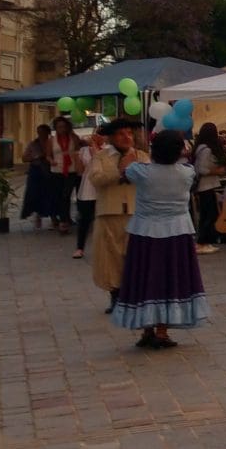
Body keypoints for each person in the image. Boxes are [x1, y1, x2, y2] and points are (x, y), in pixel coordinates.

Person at [113, 129, 210, 350]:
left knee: (146, 277)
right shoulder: (187, 173)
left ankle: (147, 329)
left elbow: (122, 170)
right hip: (177, 232)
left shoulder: (141, 171)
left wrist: (130, 148)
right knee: (171, 278)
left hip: (145, 232)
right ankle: (162, 331)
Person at [85, 119, 141, 309]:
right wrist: (119, 170)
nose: (126, 138)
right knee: (111, 257)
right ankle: (115, 294)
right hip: (109, 213)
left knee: (134, 256)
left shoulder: (141, 156)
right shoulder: (102, 156)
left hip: (135, 213)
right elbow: (96, 179)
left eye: (129, 133)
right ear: (112, 137)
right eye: (121, 134)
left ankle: (133, 294)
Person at [192, 121, 226, 252]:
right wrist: (217, 171)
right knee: (210, 214)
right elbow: (201, 169)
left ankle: (205, 240)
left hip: (207, 185)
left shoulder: (201, 148)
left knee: (207, 214)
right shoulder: (206, 150)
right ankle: (202, 241)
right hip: (205, 186)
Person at [20, 123, 60, 230]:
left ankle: (53, 217)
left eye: (42, 132)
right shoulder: (33, 144)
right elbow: (24, 158)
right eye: (39, 132)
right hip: (37, 171)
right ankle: (38, 215)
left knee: (51, 194)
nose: (40, 134)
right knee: (36, 194)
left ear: (48, 132)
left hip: (50, 171)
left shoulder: (53, 142)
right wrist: (36, 157)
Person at [49, 116, 81, 232]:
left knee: (66, 195)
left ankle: (64, 220)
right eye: (59, 127)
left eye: (63, 126)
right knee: (59, 195)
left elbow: (78, 151)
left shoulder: (73, 138)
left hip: (71, 170)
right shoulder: (52, 140)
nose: (61, 129)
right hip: (57, 170)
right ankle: (64, 218)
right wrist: (51, 160)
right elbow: (48, 154)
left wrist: (78, 165)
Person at [71, 126, 96, 260]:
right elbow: (79, 171)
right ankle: (80, 247)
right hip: (88, 188)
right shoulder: (83, 151)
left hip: (103, 189)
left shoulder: (109, 150)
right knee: (85, 219)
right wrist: (77, 158)